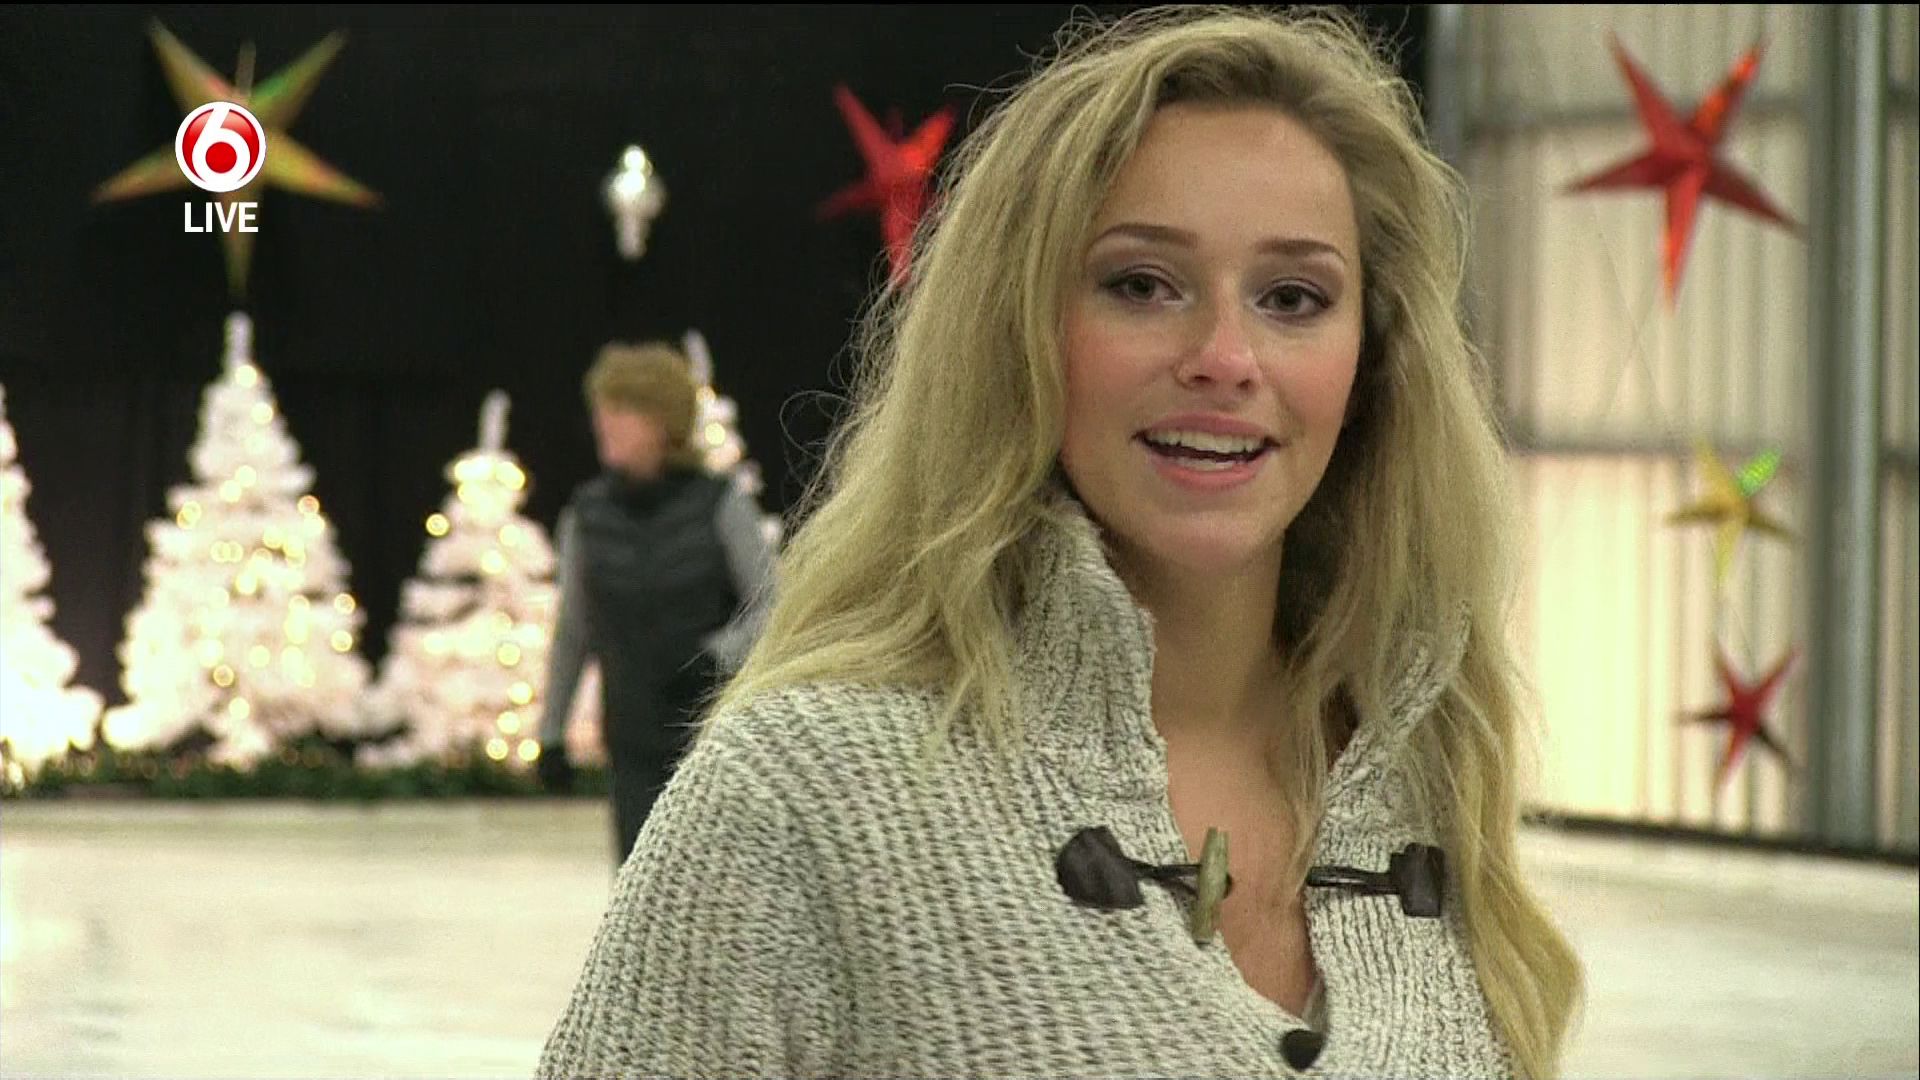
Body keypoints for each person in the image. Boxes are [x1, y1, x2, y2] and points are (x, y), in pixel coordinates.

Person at [539, 6, 1583, 1078]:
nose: (1225, 357)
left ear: (1373, 363)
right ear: (1020, 330)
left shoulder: (1426, 771)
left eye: (1292, 297)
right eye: (1142, 284)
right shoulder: (806, 790)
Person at [535, 340, 775, 866]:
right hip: (631, 739)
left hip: (712, 736)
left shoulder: (721, 504)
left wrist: (714, 658)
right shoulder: (586, 516)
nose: (604, 421)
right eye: (604, 407)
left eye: (621, 408)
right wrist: (551, 735)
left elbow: (772, 607)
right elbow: (573, 631)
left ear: (662, 421)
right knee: (640, 881)